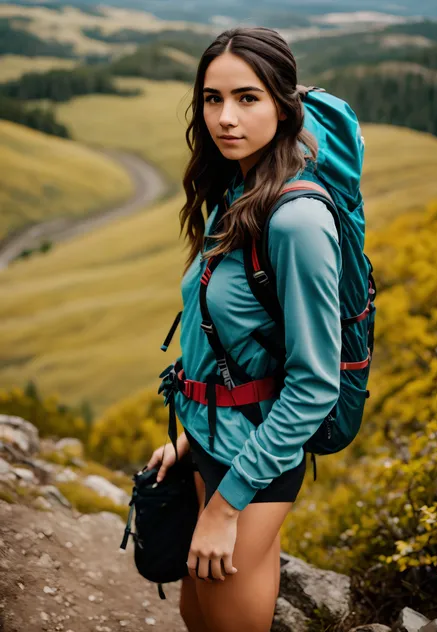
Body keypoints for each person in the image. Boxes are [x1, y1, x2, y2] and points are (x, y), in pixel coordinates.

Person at [147, 26, 342, 632]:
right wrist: (190, 438)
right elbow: (224, 340)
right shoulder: (237, 188)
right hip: (211, 439)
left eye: (247, 98)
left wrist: (227, 506)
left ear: (284, 106)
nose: (225, 117)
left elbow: (315, 383)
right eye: (212, 98)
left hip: (255, 463)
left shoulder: (298, 222)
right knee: (195, 612)